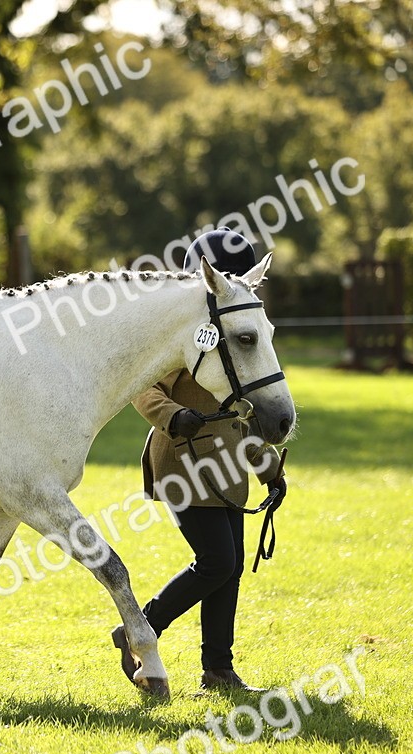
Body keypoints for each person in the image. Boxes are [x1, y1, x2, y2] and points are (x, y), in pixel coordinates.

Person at [112, 227, 287, 692]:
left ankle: (218, 669)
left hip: (229, 467)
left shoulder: (233, 328)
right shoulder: (178, 333)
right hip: (182, 460)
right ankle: (138, 628)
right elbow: (143, 389)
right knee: (216, 562)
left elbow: (243, 414)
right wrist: (173, 416)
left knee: (229, 568)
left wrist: (270, 470)